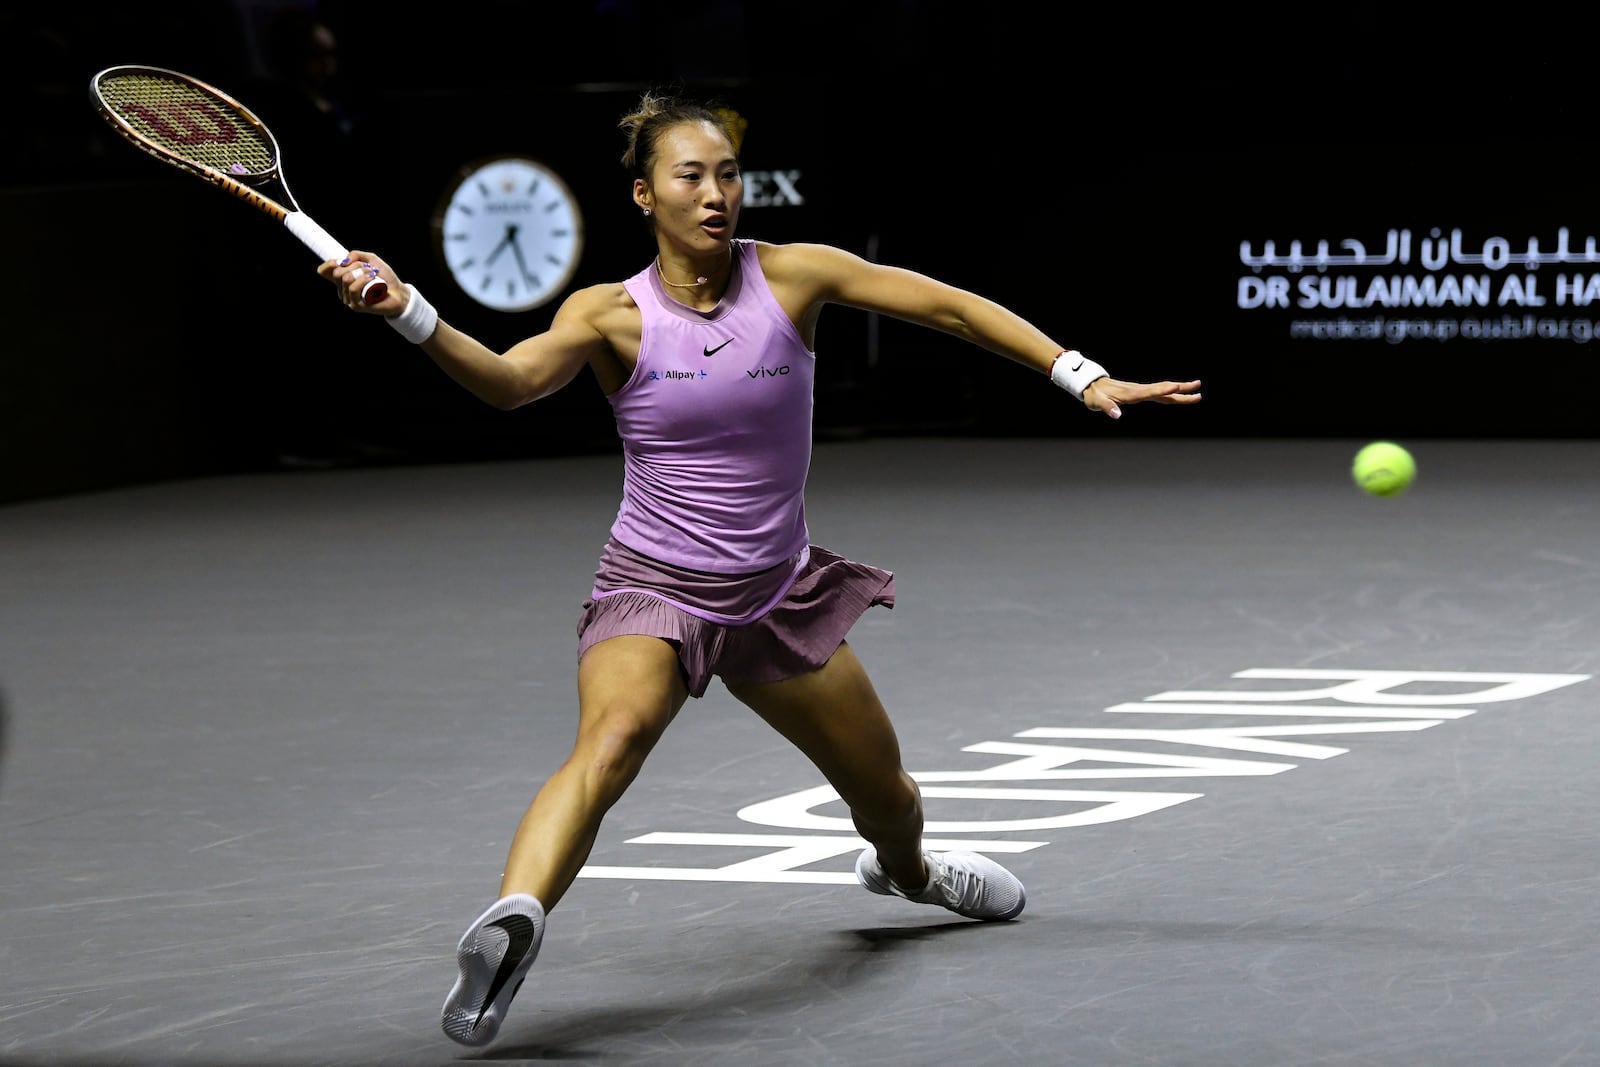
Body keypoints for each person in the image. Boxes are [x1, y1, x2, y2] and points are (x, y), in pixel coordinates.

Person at [319, 89, 1201, 1048]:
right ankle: (509, 925)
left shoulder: (793, 278)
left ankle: (908, 872)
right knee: (608, 746)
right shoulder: (609, 314)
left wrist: (1079, 373)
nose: (716, 195)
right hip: (654, 587)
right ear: (642, 197)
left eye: (728, 174)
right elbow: (509, 381)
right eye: (689, 176)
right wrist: (409, 311)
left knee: (889, 796)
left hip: (779, 593)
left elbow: (946, 307)